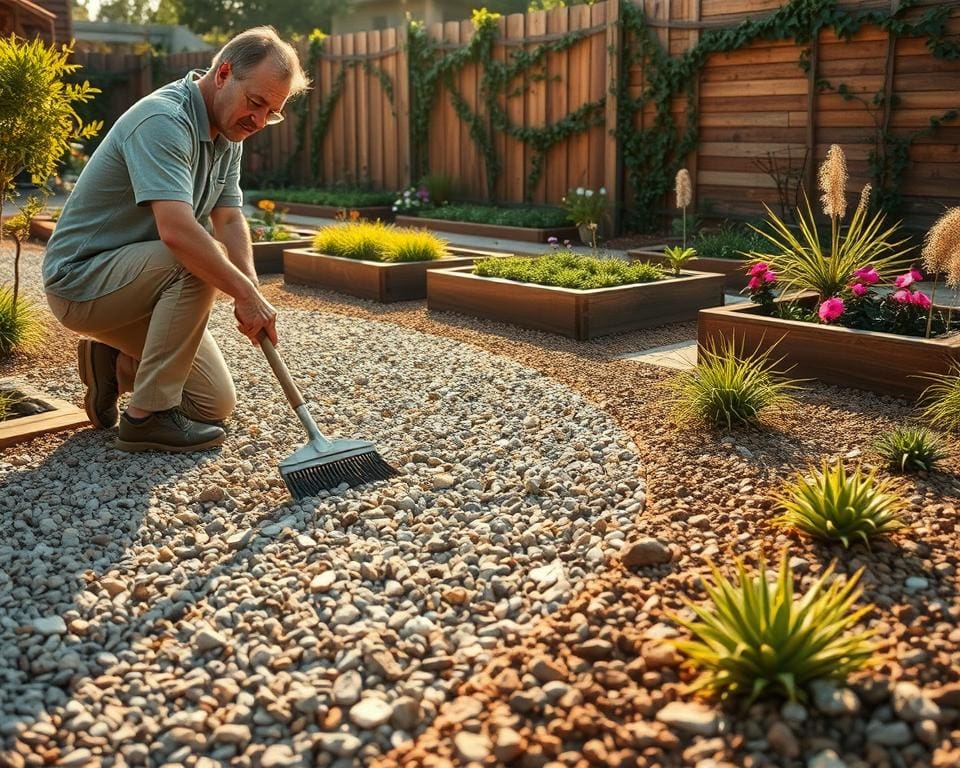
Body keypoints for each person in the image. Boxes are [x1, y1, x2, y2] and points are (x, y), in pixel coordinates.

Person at [43, 27, 309, 453]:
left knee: (211, 404)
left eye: (271, 113)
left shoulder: (229, 130)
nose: (258, 121)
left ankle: (112, 362)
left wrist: (251, 288)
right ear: (223, 74)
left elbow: (228, 216)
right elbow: (178, 232)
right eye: (256, 103)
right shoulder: (164, 121)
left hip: (140, 283)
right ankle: (145, 419)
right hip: (83, 282)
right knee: (194, 260)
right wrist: (238, 290)